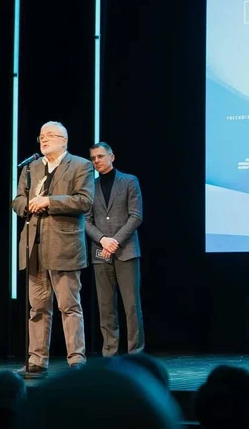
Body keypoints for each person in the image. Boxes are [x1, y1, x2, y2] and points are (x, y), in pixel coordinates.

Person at [11, 121, 95, 376]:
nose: (44, 139)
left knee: (69, 306)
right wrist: (27, 205)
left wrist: (48, 201)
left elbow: (84, 201)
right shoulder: (31, 168)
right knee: (37, 308)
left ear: (64, 140)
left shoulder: (81, 165)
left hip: (64, 246)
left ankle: (76, 359)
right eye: (41, 136)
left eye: (50, 135)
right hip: (33, 248)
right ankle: (37, 360)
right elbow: (18, 200)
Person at [85, 142, 145, 357]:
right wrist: (103, 240)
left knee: (131, 306)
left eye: (100, 156)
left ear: (112, 157)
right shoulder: (90, 186)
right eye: (93, 158)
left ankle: (135, 353)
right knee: (106, 306)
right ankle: (109, 353)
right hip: (100, 252)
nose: (97, 161)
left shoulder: (129, 181)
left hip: (126, 250)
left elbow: (136, 216)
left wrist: (115, 241)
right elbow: (86, 220)